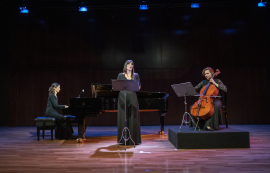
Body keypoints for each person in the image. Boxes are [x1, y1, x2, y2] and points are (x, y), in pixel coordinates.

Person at [117, 60, 141, 145]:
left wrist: (136, 87)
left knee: (133, 117)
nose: (130, 65)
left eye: (132, 64)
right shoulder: (120, 75)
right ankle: (123, 139)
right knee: (123, 117)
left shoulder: (136, 75)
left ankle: (134, 139)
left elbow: (139, 87)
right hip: (122, 97)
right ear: (125, 66)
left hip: (133, 96)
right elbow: (117, 86)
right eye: (128, 64)